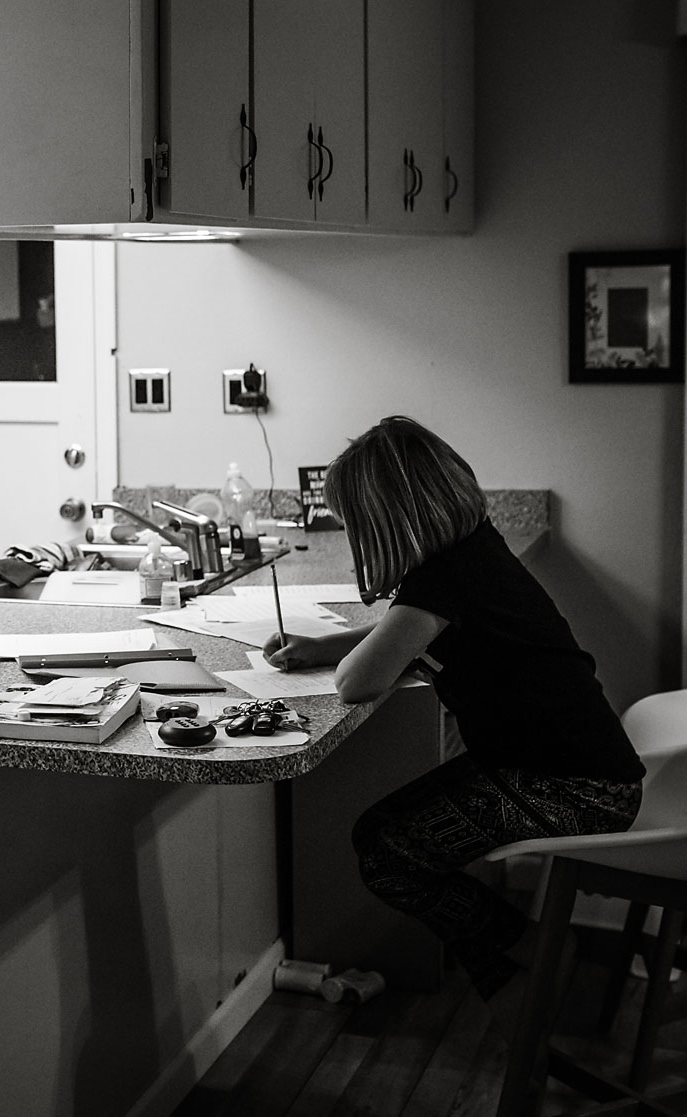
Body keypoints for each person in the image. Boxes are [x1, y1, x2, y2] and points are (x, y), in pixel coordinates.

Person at [265, 416, 644, 1016]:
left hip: (576, 788)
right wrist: (321, 643)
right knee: (389, 840)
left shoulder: (442, 579)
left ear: (386, 519)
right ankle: (514, 980)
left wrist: (337, 660)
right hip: (577, 767)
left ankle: (532, 951)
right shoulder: (472, 553)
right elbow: (412, 628)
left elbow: (356, 684)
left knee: (387, 852)